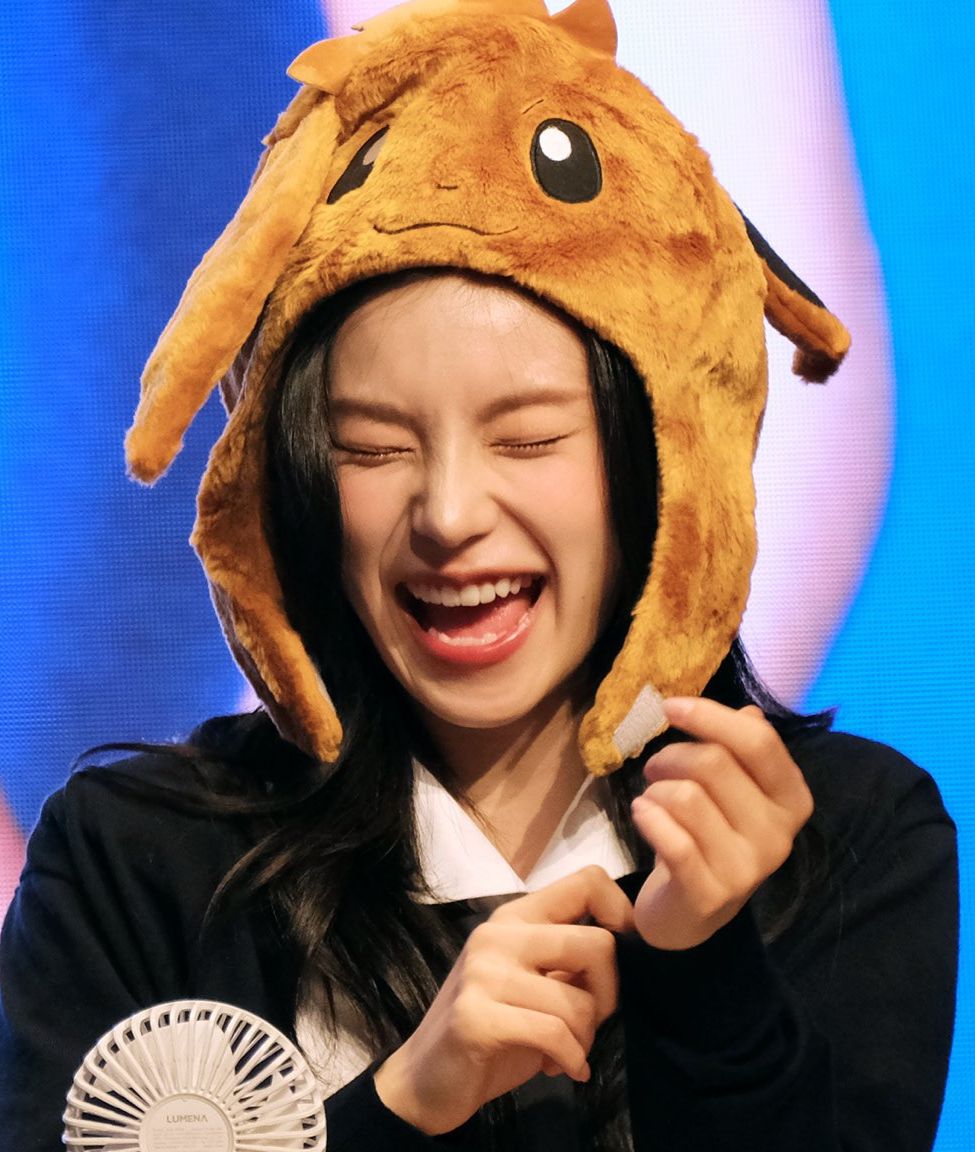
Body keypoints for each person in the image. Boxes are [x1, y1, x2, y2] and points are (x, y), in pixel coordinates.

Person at [0, 2, 957, 1150]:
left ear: (663, 457)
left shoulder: (849, 840)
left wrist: (707, 973)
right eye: (373, 447)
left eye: (528, 439)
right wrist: (407, 1101)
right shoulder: (134, 858)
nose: (449, 517)